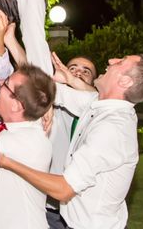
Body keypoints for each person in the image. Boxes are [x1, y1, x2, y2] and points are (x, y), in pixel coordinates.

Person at [0, 54, 143, 229]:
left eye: (120, 62)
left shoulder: (112, 129)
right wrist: (64, 83)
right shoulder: (102, 106)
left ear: (125, 82)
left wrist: (7, 162)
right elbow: (55, 93)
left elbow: (63, 189)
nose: (111, 61)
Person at [0, 62, 56, 229]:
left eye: (6, 84)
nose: (0, 82)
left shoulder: (22, 141)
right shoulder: (21, 130)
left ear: (17, 105)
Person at [45, 53, 97, 229]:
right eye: (72, 68)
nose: (77, 73)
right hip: (49, 208)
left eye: (86, 71)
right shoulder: (50, 107)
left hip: (85, 212)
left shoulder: (100, 115)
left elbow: (99, 99)